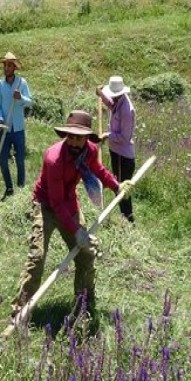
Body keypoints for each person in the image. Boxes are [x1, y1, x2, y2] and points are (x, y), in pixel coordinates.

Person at [11, 110, 128, 319]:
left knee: (85, 255)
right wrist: (76, 231)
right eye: (71, 137)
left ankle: (84, 302)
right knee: (37, 257)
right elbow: (55, 203)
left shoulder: (90, 151)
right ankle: (21, 308)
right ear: (66, 136)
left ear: (86, 139)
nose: (74, 142)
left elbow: (98, 170)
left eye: (79, 138)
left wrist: (116, 186)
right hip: (46, 205)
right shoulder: (54, 158)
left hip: (69, 203)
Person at [96, 76, 136, 222]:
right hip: (116, 153)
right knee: (118, 186)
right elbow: (111, 104)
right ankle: (124, 217)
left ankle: (128, 220)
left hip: (123, 156)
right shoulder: (119, 101)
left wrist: (108, 135)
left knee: (121, 190)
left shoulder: (127, 110)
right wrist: (101, 94)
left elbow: (125, 137)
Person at [0, 52, 32, 199]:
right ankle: (9, 187)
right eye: (5, 65)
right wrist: (0, 118)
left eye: (10, 65)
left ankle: (21, 188)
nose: (7, 68)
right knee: (3, 159)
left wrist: (20, 97)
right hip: (5, 129)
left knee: (20, 160)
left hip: (18, 129)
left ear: (14, 67)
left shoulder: (21, 83)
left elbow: (30, 101)